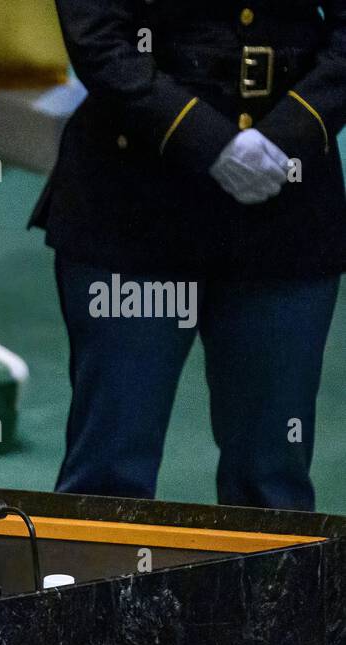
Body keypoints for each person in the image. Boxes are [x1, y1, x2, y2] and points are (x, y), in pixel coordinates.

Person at [32, 1, 346, 509]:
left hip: (284, 211)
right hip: (134, 204)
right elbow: (97, 37)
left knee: (272, 480)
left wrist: (290, 132)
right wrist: (207, 140)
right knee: (111, 475)